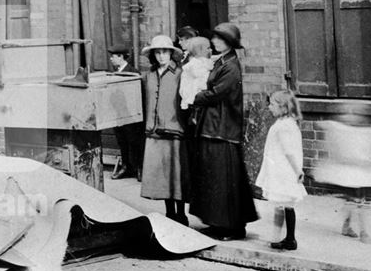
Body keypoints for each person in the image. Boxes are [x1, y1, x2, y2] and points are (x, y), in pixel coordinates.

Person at [189, 22, 258, 240]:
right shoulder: (221, 61)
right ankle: (218, 223)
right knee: (214, 179)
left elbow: (218, 93)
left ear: (229, 43)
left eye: (220, 39)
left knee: (224, 179)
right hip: (213, 126)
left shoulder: (231, 66)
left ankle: (233, 227)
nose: (215, 41)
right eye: (215, 38)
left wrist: (197, 97)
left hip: (223, 129)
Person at [139, 35, 189, 225]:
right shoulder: (150, 75)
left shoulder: (180, 73)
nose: (161, 56)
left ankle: (181, 213)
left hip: (174, 129)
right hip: (154, 131)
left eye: (165, 52)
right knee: (162, 175)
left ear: (171, 53)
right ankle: (170, 212)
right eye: (158, 53)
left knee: (176, 174)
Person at [256, 90, 305, 251]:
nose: (269, 107)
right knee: (281, 205)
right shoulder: (285, 123)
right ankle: (278, 237)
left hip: (282, 171)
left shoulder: (284, 126)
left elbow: (288, 150)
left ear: (283, 107)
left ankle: (289, 239)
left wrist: (297, 170)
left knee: (286, 205)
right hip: (279, 169)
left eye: (272, 104)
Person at [107, 44, 144, 180]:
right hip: (118, 115)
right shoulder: (114, 73)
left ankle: (139, 168)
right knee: (122, 141)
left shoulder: (132, 73)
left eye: (113, 56)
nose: (111, 59)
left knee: (134, 141)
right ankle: (126, 167)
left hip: (131, 116)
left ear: (121, 57)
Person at [178, 36, 213, 110]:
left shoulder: (203, 61)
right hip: (195, 100)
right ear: (199, 51)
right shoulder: (195, 65)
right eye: (208, 48)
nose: (211, 50)